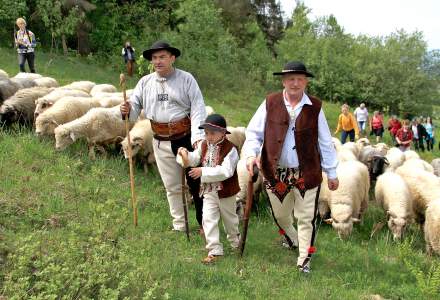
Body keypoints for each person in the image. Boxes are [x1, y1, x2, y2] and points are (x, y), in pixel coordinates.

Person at [242, 61, 339, 274]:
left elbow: (325, 142)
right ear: (283, 81)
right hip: (275, 173)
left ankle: (304, 258)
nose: (295, 83)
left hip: (307, 172)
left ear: (305, 82)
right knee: (281, 216)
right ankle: (293, 239)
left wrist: (331, 172)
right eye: (291, 79)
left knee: (306, 218)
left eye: (300, 79)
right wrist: (251, 155)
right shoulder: (270, 102)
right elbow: (253, 133)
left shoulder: (315, 107)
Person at [120, 40, 207, 233]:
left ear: (172, 58)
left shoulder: (186, 79)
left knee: (196, 183)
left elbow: (198, 108)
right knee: (172, 186)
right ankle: (180, 225)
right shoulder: (145, 82)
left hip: (185, 137)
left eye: (162, 57)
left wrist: (198, 138)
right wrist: (126, 110)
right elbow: (133, 111)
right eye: (155, 58)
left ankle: (204, 224)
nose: (158, 61)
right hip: (159, 139)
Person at [177, 114, 240, 264]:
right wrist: (184, 155)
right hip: (209, 191)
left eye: (212, 133)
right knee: (208, 218)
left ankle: (235, 243)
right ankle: (214, 250)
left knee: (230, 220)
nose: (208, 136)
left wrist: (202, 172)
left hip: (226, 192)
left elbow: (226, 171)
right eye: (206, 133)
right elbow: (194, 158)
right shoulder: (203, 145)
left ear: (223, 133)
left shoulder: (231, 149)